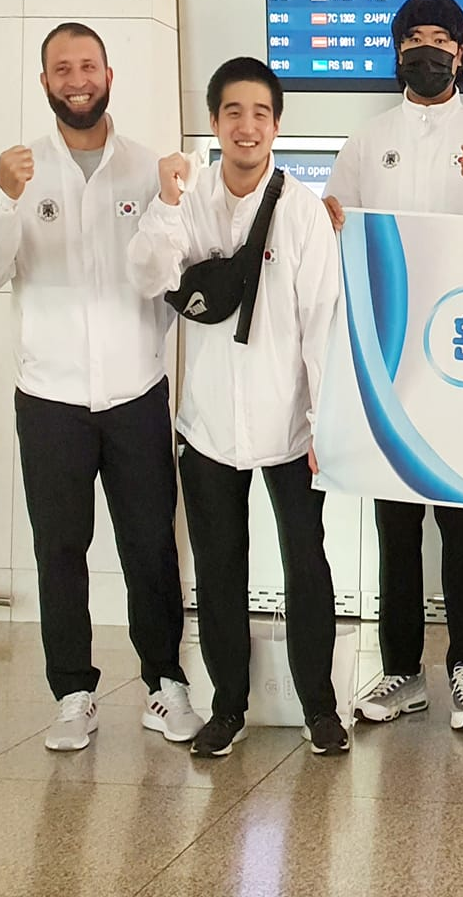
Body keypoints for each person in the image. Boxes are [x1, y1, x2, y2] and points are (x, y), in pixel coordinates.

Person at [0, 24, 199, 752]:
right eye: (62, 69)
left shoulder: (145, 168)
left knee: (150, 545)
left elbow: (165, 274)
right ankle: (73, 693)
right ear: (45, 83)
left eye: (87, 65)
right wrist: (4, 201)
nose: (77, 79)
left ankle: (166, 684)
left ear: (109, 74)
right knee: (59, 548)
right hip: (51, 398)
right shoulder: (23, 174)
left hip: (135, 392)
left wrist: (166, 203)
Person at [126, 58, 346, 758]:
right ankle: (228, 707)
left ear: (277, 125)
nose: (246, 126)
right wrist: (163, 203)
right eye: (232, 113)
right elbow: (150, 276)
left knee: (306, 565)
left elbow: (323, 320)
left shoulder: (304, 212)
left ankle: (320, 707)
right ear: (217, 123)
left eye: (259, 112)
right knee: (220, 570)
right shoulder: (188, 203)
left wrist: (323, 423)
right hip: (210, 425)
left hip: (290, 427)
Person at [325, 0, 463, 733]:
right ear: (396, 50)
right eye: (413, 38)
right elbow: (334, 228)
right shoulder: (366, 138)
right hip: (388, 355)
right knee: (396, 521)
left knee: (461, 522)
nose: (426, 49)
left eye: (439, 38)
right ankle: (403, 671)